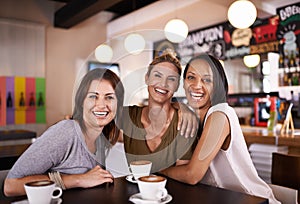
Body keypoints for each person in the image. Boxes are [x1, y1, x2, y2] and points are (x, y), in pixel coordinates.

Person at [160, 53, 280, 204]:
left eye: (207, 79)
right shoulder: (192, 119)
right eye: (191, 77)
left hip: (252, 199)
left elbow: (192, 175)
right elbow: (182, 167)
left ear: (217, 85)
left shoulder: (220, 115)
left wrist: (159, 169)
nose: (197, 85)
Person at [4, 68, 125, 196]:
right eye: (93, 96)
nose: (101, 105)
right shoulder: (66, 132)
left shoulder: (102, 136)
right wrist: (79, 179)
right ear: (82, 101)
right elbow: (11, 186)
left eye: (109, 97)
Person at [122, 50, 198, 173]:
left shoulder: (184, 123)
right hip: (134, 191)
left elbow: (183, 176)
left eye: (171, 79)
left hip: (171, 192)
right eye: (157, 75)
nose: (163, 83)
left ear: (177, 86)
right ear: (147, 79)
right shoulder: (129, 116)